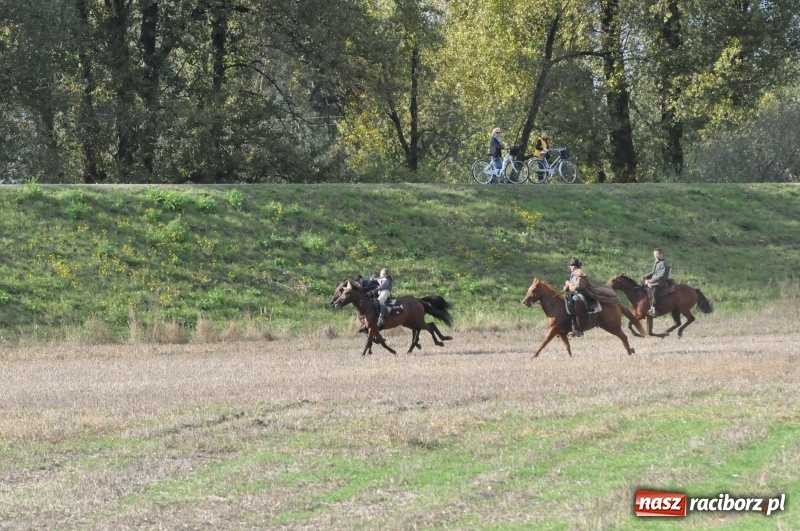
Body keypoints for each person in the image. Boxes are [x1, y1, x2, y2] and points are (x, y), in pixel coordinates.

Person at [643, 248, 671, 316]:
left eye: (657, 254)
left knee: (654, 293)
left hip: (660, 283)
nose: (655, 256)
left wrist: (651, 280)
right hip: (654, 281)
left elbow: (661, 275)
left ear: (661, 254)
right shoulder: (656, 262)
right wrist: (645, 277)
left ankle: (656, 309)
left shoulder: (663, 264)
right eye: (654, 254)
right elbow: (653, 272)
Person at [564, 257, 587, 337]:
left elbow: (578, 286)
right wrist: (567, 286)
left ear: (574, 266)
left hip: (581, 293)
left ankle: (577, 327)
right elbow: (572, 284)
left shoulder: (579, 272)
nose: (570, 267)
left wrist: (569, 284)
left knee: (571, 302)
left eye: (571, 265)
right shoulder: (574, 273)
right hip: (575, 293)